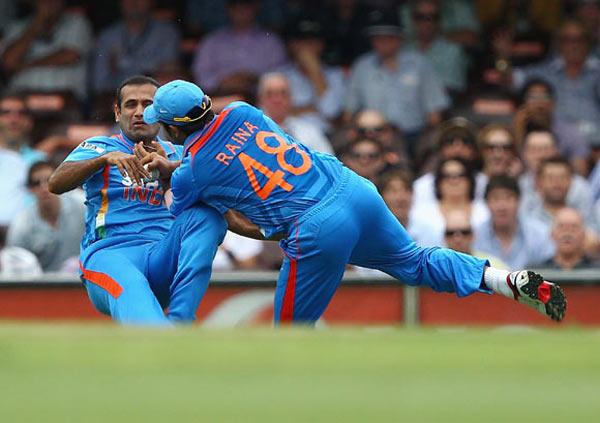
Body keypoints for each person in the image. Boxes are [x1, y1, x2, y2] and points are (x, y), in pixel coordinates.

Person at [141, 79, 567, 323]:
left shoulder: (193, 171)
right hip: (352, 189)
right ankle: (504, 281)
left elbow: (190, 207)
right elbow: (234, 151)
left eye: (163, 127)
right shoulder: (244, 111)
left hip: (315, 227)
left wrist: (168, 172)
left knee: (288, 335)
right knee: (417, 262)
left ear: (175, 130)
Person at [47, 76, 226, 325]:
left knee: (208, 216)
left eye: (147, 105)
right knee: (132, 285)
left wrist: (170, 172)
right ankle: (165, 345)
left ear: (160, 113)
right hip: (110, 254)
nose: (139, 112)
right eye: (131, 105)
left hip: (162, 255)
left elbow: (214, 207)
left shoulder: (178, 153)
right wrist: (103, 160)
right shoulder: (100, 146)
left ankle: (181, 319)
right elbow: (55, 183)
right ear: (117, 113)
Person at [344, 9, 449, 150]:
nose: (383, 42)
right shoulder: (362, 66)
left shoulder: (420, 64)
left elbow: (434, 115)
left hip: (412, 136)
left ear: (400, 38)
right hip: (371, 135)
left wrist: (423, 145)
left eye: (389, 37)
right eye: (378, 38)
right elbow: (349, 113)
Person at [191, 0, 286, 97]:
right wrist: (222, 82)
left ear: (255, 8)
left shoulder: (271, 41)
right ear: (229, 9)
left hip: (260, 100)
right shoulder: (211, 41)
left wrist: (253, 79)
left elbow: (281, 75)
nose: (241, 11)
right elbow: (200, 76)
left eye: (246, 7)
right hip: (220, 99)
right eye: (237, 7)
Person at [0, 0, 93, 99]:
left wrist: (24, 65)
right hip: (22, 95)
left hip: (65, 97)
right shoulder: (16, 27)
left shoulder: (77, 23)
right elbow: (8, 61)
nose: (49, 2)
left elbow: (70, 55)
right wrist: (36, 24)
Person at [6, 161, 84, 272]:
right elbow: (16, 270)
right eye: (36, 183)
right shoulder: (21, 225)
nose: (44, 187)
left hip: (87, 279)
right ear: (30, 189)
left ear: (60, 181)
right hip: (43, 287)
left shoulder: (83, 204)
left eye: (49, 180)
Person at [92, 0, 181, 95]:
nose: (134, 2)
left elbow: (168, 73)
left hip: (154, 98)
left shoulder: (167, 33)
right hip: (116, 98)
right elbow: (99, 83)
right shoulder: (107, 36)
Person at [278, 17, 346, 131]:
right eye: (301, 41)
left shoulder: (336, 75)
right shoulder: (279, 75)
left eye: (311, 41)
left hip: (325, 135)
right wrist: (313, 109)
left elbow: (330, 111)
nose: (306, 46)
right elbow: (274, 111)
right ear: (292, 45)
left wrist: (315, 71)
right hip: (288, 136)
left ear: (321, 44)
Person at [474, 175, 554, 270]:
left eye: (508, 198)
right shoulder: (474, 236)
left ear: (519, 201)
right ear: (487, 203)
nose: (502, 206)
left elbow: (550, 270)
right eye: (496, 199)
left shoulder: (539, 233)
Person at [409, 157, 489, 247]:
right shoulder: (421, 213)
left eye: (461, 175)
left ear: (470, 180)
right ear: (438, 182)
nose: (454, 181)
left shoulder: (485, 211)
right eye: (447, 176)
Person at [256, 72, 333, 154]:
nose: (277, 100)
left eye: (283, 93)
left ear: (291, 98)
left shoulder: (309, 132)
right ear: (261, 99)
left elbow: (329, 163)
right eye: (270, 94)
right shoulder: (251, 133)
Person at [405, 0, 468, 94]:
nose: (426, 23)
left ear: (439, 21)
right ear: (412, 20)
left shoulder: (452, 51)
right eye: (420, 17)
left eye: (432, 17)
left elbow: (449, 90)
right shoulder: (403, 50)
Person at [444, 209, 508, 269]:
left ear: (473, 235)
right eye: (450, 233)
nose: (458, 239)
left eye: (464, 232)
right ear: (445, 237)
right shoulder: (435, 268)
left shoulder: (492, 266)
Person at [0, 94, 46, 166]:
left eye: (21, 113)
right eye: (6, 112)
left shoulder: (39, 160)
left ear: (30, 122)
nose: (14, 119)